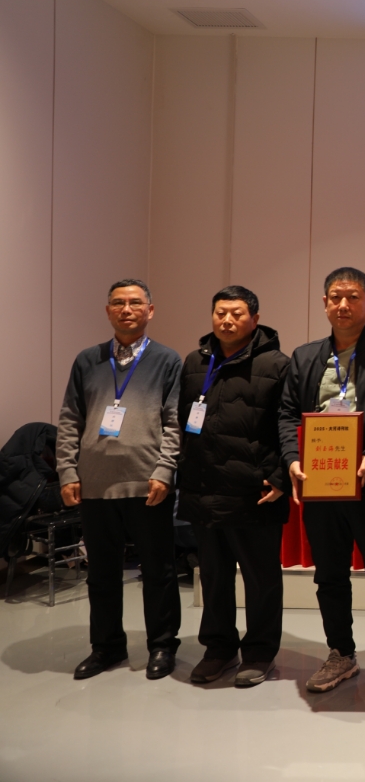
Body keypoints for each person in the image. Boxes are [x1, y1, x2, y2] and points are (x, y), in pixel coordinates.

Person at [278, 267, 365, 699]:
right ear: (324, 303)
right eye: (335, 297)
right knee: (329, 575)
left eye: (353, 297)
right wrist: (292, 460)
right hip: (321, 483)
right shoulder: (304, 356)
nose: (343, 305)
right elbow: (286, 415)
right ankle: (341, 652)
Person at [56, 279, 183, 680]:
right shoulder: (87, 360)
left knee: (158, 571)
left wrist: (165, 470)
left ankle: (162, 645)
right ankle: (106, 647)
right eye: (118, 303)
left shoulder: (167, 360)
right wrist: (67, 470)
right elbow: (69, 419)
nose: (126, 309)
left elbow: (174, 422)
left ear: (150, 310)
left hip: (148, 484)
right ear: (108, 310)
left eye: (135, 303)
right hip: (95, 483)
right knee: (101, 574)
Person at [177, 286, 290, 687]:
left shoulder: (277, 365)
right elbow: (182, 422)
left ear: (255, 319)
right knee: (213, 575)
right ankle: (218, 648)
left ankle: (259, 652)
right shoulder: (195, 361)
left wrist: (280, 477)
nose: (227, 320)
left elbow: (289, 426)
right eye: (220, 312)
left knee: (261, 578)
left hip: (254, 490)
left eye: (237, 313)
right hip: (203, 486)